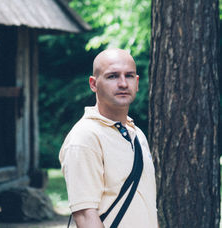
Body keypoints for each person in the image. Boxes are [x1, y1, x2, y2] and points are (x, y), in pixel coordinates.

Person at [59, 48, 158, 228]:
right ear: (93, 84)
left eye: (129, 76)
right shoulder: (85, 137)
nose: (122, 83)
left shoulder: (136, 134)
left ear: (137, 82)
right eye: (112, 76)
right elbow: (85, 215)